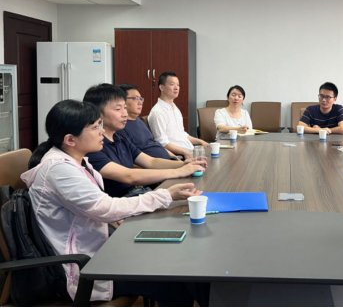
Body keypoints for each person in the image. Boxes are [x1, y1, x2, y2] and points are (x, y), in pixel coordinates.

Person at [22, 100, 210, 306]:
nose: (102, 132)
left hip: (102, 249)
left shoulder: (77, 161)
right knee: (176, 277)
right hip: (85, 267)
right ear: (70, 139)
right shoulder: (60, 170)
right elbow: (106, 208)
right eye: (95, 127)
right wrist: (165, 195)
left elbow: (95, 208)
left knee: (179, 259)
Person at [83, 84, 206, 198]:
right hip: (122, 201)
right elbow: (129, 176)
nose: (125, 114)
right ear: (97, 113)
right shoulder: (92, 146)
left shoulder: (120, 138)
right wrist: (178, 172)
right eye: (118, 109)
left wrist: (184, 164)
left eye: (124, 108)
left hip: (139, 193)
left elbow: (151, 161)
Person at [148, 72, 209, 158]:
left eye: (178, 84)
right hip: (179, 156)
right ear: (161, 87)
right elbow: (162, 143)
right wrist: (185, 152)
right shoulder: (157, 112)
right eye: (172, 84)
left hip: (190, 150)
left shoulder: (174, 108)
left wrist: (201, 142)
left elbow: (182, 134)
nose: (176, 88)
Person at [118, 83, 176, 160]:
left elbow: (155, 144)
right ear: (122, 101)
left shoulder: (140, 121)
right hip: (155, 165)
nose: (140, 102)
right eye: (136, 98)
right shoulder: (121, 127)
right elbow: (132, 159)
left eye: (140, 99)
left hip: (169, 161)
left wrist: (177, 159)